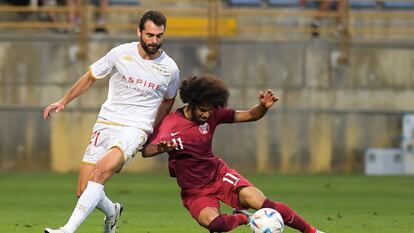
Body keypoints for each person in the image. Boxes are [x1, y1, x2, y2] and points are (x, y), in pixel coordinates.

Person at [43, 10, 180, 233]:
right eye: (149, 35)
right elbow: (90, 76)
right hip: (106, 122)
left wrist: (152, 132)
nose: (154, 41)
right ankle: (112, 211)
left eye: (159, 36)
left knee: (101, 173)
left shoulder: (170, 69)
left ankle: (67, 230)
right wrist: (64, 101)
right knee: (84, 189)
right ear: (139, 32)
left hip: (136, 129)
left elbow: (168, 101)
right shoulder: (120, 53)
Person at [141, 74, 324, 233]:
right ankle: (244, 218)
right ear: (191, 103)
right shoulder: (171, 124)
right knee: (216, 224)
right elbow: (146, 152)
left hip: (219, 176)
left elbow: (251, 115)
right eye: (202, 110)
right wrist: (161, 148)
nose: (206, 115)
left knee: (261, 202)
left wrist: (263, 107)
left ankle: (311, 230)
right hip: (195, 191)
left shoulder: (213, 114)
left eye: (210, 110)